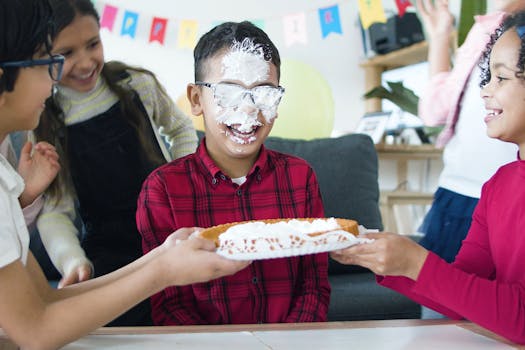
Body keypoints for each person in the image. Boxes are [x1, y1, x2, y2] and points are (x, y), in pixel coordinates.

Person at [0, 1, 248, 349]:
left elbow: (43, 300)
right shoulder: (42, 132)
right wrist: (161, 270)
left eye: (92, 44)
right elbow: (37, 329)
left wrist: (161, 257)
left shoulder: (6, 176)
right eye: (48, 61)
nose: (55, 77)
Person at [331, 11, 525, 345]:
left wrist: (417, 264)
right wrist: (392, 262)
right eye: (487, 77)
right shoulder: (497, 186)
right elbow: (463, 294)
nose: (485, 92)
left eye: (501, 78)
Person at [136, 21, 331, 325]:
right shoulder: (162, 190)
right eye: (229, 92)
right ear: (197, 100)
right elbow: (168, 303)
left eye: (264, 93)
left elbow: (314, 285)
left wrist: (290, 341)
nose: (249, 111)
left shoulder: (299, 177)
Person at [33, 0, 198, 325]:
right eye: (67, 53)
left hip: (167, 237)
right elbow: (54, 212)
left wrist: (181, 184)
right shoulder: (43, 118)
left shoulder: (135, 83)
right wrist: (72, 262)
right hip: (108, 261)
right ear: (42, 57)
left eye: (93, 44)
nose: (85, 62)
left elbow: (180, 129)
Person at [415, 0, 524, 265]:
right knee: (444, 296)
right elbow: (434, 109)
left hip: (512, 205)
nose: (486, 90)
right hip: (457, 194)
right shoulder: (488, 28)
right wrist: (440, 37)